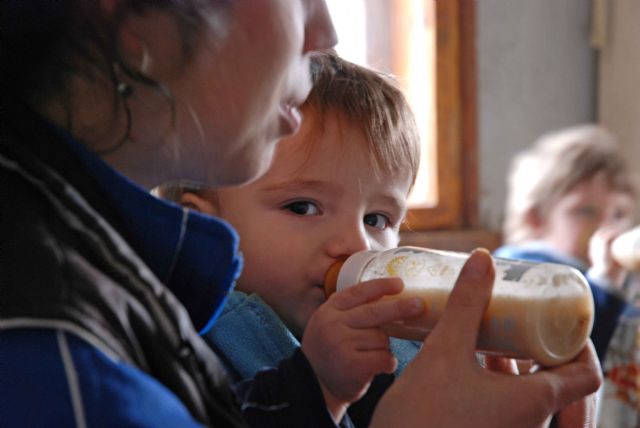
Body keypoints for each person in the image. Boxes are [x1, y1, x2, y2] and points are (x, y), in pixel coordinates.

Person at [1, 1, 601, 427]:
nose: (327, 28)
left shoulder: (107, 268)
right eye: (303, 206)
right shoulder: (58, 355)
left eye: (378, 218)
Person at [156, 51, 422, 426]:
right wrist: (316, 388)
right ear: (204, 227)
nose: (358, 246)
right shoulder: (179, 345)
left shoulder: (402, 340)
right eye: (302, 207)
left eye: (376, 219)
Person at [494, 124, 638, 365]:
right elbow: (570, 344)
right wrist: (605, 281)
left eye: (619, 213)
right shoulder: (521, 269)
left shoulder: (616, 272)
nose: (605, 225)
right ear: (537, 218)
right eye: (586, 211)